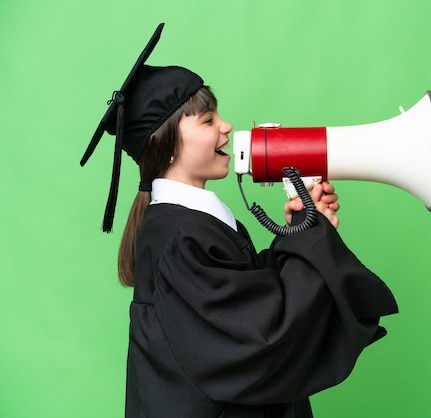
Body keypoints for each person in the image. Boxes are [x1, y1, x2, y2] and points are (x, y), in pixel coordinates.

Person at [81, 23, 398, 418]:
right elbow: (260, 338)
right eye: (208, 120)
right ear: (165, 143)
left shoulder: (187, 224)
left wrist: (300, 229)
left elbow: (242, 297)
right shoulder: (180, 238)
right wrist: (312, 242)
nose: (226, 126)